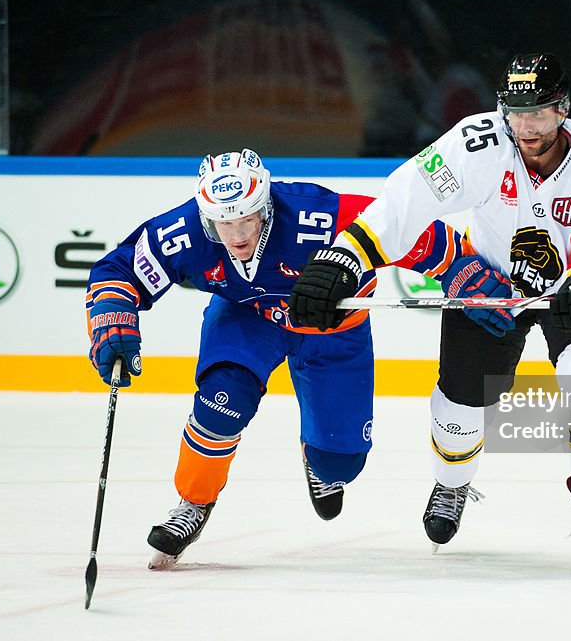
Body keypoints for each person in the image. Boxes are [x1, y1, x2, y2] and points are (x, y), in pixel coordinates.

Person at [289, 53, 571, 576]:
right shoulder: (477, 143)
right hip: (491, 289)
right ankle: (452, 485)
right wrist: (345, 257)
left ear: (563, 110)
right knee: (460, 405)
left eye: (540, 114)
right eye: (516, 112)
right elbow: (403, 202)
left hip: (570, 292)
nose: (526, 127)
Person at [86, 149, 461, 569]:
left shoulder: (314, 216)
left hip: (331, 329)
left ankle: (318, 457)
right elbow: (119, 270)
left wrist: (462, 267)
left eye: (247, 218)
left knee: (341, 463)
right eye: (224, 222)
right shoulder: (186, 230)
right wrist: (112, 318)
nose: (237, 233)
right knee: (219, 405)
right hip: (247, 317)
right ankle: (192, 503)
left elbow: (405, 229)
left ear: (265, 204)